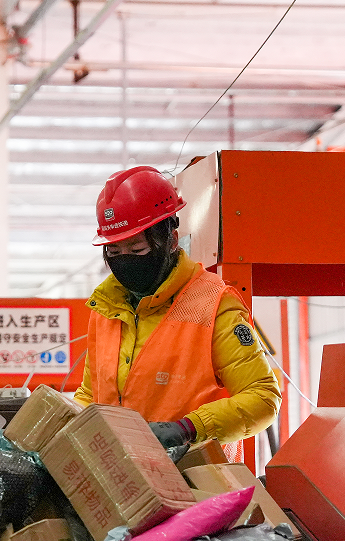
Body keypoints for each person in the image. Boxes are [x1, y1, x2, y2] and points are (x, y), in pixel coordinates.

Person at [74, 166, 280, 452]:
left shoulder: (213, 305)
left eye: (137, 250)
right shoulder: (107, 308)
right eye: (114, 252)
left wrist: (189, 429)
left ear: (171, 240)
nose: (125, 261)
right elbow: (91, 393)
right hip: (123, 472)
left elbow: (263, 398)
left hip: (195, 475)